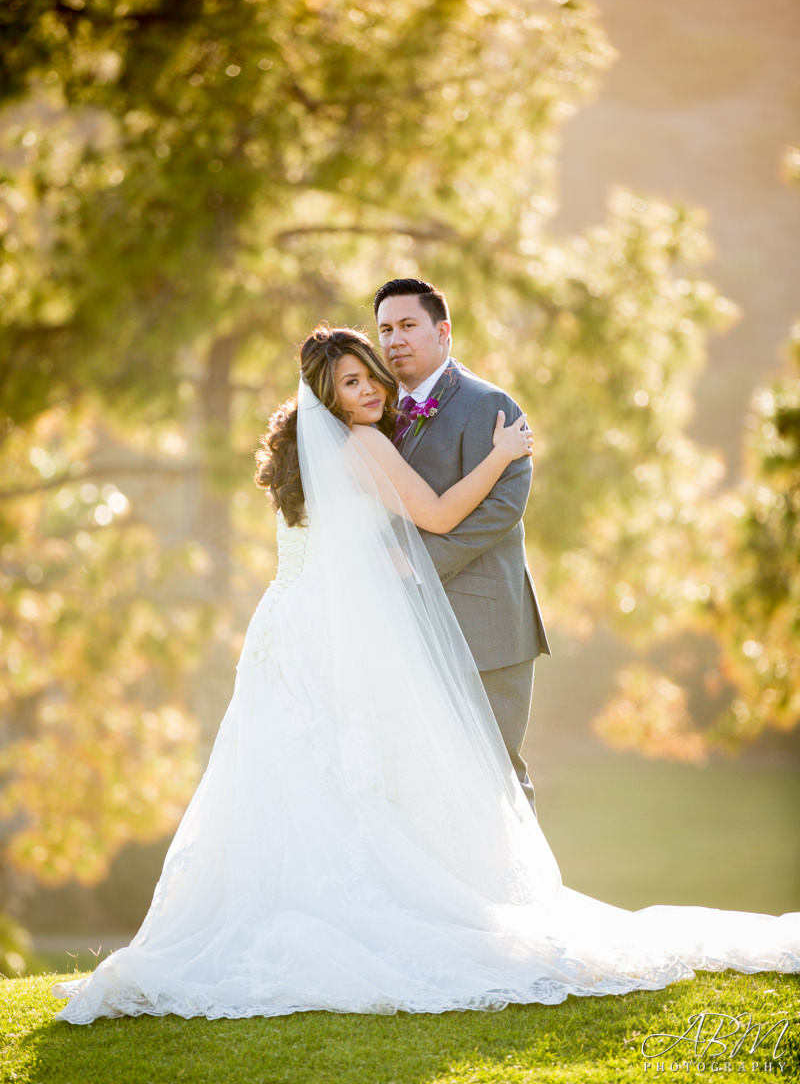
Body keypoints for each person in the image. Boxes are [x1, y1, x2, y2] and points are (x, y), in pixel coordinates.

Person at [53, 325, 799, 1024]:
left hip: (283, 626)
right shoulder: (363, 444)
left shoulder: (298, 458)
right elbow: (439, 516)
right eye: (351, 383)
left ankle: (297, 902)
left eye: (370, 376)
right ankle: (365, 907)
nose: (370, 391)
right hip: (335, 631)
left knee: (295, 774)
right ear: (327, 395)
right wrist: (503, 455)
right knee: (349, 770)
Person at [374, 278, 548, 811]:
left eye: (408, 326)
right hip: (405, 623)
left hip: (486, 625)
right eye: (385, 329)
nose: (394, 340)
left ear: (442, 331)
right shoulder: (371, 407)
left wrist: (417, 563)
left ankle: (525, 892)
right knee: (425, 778)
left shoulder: (488, 402)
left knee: (495, 772)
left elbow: (503, 507)